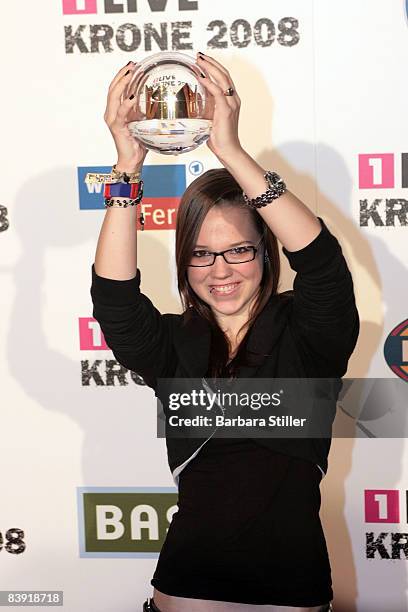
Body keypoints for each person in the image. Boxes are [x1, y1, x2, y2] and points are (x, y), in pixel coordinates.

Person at [90, 52, 359, 612]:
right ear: (185, 264)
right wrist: (127, 165)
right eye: (202, 255)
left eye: (238, 249)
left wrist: (231, 151)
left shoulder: (309, 334)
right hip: (187, 590)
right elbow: (114, 299)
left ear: (265, 253)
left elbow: (323, 263)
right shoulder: (172, 345)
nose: (221, 270)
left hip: (295, 589)